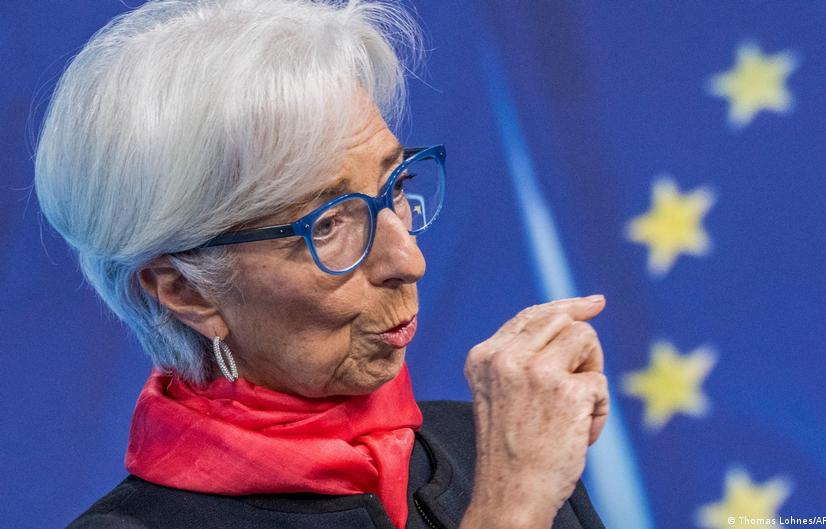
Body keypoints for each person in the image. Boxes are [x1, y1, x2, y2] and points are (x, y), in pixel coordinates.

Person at [34, 1, 611, 528]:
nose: (408, 260)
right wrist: (512, 508)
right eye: (328, 223)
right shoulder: (514, 479)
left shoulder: (489, 446)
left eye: (395, 186)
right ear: (187, 291)